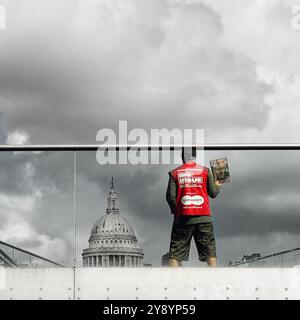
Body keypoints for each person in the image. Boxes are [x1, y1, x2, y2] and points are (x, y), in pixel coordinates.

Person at [166, 147, 221, 267]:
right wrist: (219, 182)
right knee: (210, 253)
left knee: (175, 254)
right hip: (204, 217)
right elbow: (213, 193)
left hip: (182, 218)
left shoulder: (175, 173)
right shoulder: (205, 171)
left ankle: (173, 282)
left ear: (182, 157)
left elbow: (170, 197)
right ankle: (214, 281)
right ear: (195, 157)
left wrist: (178, 211)